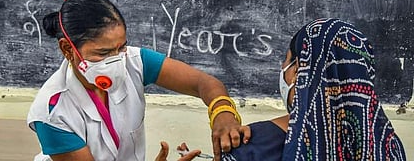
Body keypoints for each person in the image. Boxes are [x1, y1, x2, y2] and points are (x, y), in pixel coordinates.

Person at [27, 0, 249, 161]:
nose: (115, 60)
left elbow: (204, 83)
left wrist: (223, 114)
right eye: (103, 53)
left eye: (121, 47)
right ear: (67, 49)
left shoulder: (135, 61)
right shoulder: (51, 112)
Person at [161, 18, 407, 161]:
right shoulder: (388, 146)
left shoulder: (251, 144)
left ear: (300, 71)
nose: (282, 67)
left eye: (287, 60)